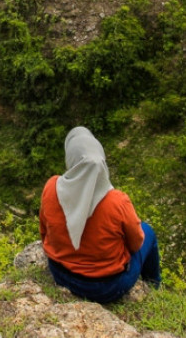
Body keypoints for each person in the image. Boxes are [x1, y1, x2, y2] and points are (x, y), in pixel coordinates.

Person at [39, 126, 161, 303]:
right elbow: (136, 244)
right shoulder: (117, 201)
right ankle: (153, 285)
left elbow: (44, 233)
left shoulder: (51, 187)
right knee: (147, 231)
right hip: (106, 288)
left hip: (60, 274)